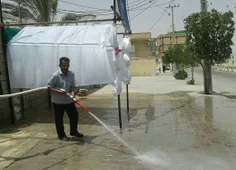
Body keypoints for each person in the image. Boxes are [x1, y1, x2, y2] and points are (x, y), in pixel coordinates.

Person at [48, 57, 84, 141]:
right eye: (63, 65)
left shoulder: (71, 74)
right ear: (59, 65)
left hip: (69, 101)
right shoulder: (55, 75)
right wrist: (58, 91)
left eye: (67, 65)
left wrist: (72, 95)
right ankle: (61, 135)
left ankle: (73, 132)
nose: (65, 67)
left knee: (74, 116)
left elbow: (73, 87)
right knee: (59, 119)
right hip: (58, 102)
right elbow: (49, 87)